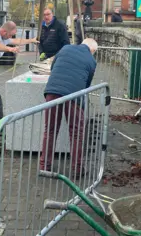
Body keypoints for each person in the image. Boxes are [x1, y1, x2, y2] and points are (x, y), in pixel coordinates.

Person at [40, 39, 98, 176]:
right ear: (93, 50)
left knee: (50, 130)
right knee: (76, 132)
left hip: (52, 91)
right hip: (74, 95)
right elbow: (87, 84)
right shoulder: (91, 60)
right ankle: (77, 169)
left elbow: (53, 68)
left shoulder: (65, 48)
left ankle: (44, 167)